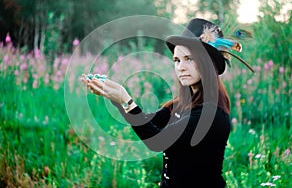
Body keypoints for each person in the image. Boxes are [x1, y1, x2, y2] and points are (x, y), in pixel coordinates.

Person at [81, 18, 253, 187]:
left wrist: (126, 99)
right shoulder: (181, 104)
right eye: (177, 60)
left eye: (189, 59)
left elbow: (158, 141)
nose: (181, 67)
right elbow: (148, 122)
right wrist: (117, 99)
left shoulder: (211, 114)